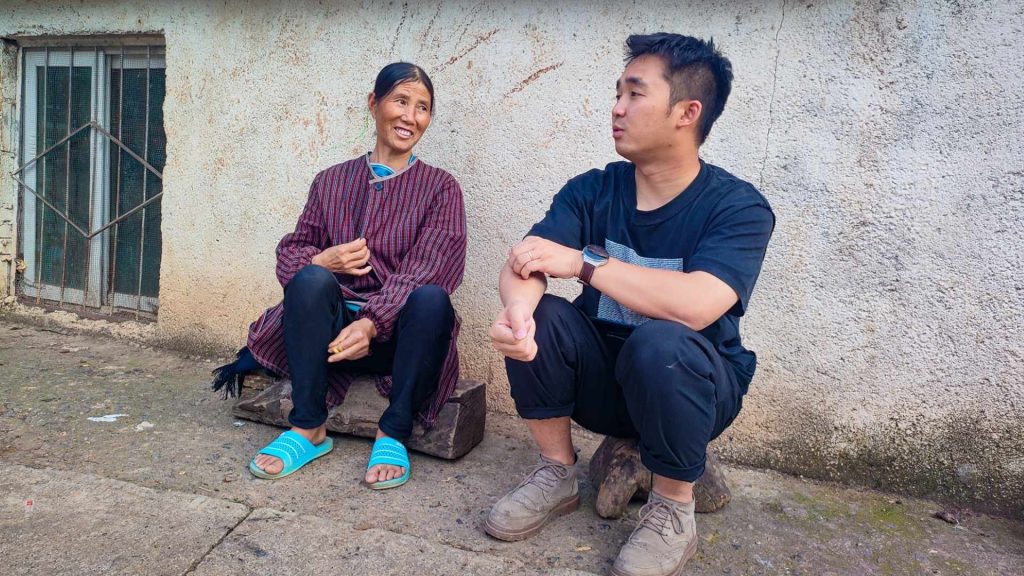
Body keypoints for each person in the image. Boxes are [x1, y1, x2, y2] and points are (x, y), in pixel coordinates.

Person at [484, 34, 774, 576]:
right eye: (617, 93)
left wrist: (586, 264)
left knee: (661, 340)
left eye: (635, 94)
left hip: (692, 389)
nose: (617, 108)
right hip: (602, 387)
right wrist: (518, 312)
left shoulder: (737, 208)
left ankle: (672, 509)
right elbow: (528, 260)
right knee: (542, 315)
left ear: (687, 112)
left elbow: (695, 306)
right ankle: (555, 472)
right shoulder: (592, 190)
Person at [212, 62, 467, 489]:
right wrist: (323, 261)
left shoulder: (441, 188)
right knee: (310, 279)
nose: (410, 116)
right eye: (400, 101)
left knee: (432, 299)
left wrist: (373, 322)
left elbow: (433, 265)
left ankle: (394, 431)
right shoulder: (330, 181)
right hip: (330, 338)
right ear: (374, 104)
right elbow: (291, 250)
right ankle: (308, 427)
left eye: (422, 108)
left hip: (398, 339)